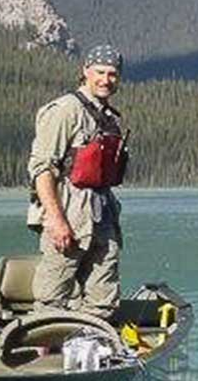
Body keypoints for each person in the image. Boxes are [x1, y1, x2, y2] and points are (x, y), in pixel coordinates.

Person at [26, 44, 130, 318]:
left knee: (103, 298)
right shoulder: (64, 110)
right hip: (69, 217)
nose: (105, 80)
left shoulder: (108, 117)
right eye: (99, 72)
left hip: (103, 217)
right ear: (85, 71)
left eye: (112, 74)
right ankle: (42, 357)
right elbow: (42, 169)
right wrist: (56, 219)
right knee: (52, 297)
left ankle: (88, 353)